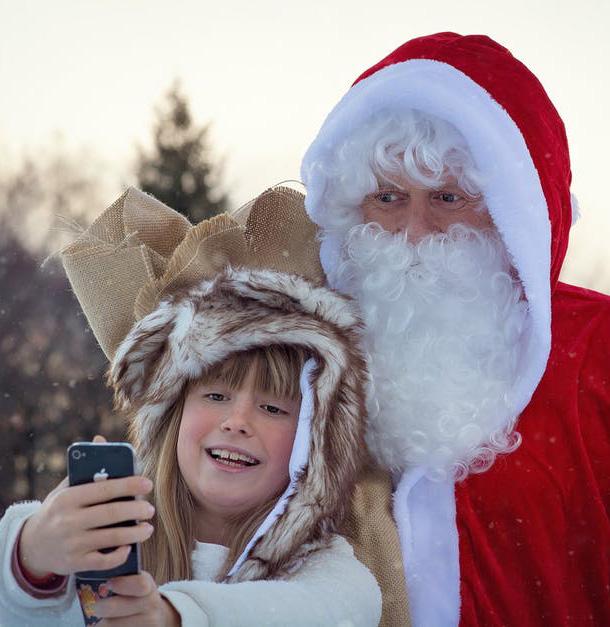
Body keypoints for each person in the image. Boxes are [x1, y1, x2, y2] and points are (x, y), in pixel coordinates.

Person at [301, 32, 610, 626]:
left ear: (510, 211)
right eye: (388, 198)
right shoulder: (300, 359)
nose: (416, 231)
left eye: (447, 197)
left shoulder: (596, 354)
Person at [0, 186, 382, 626]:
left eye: (273, 408)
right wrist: (31, 554)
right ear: (172, 415)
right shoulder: (102, 543)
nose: (237, 422)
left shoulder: (334, 578)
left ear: (313, 444)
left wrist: (172, 616)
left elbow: (312, 614)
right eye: (216, 396)